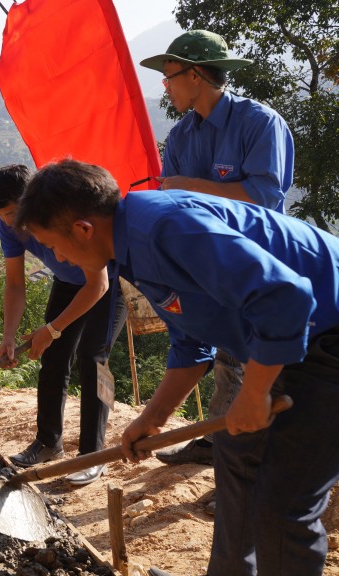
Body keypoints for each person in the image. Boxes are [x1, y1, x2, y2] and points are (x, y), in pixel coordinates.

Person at [16, 158, 339, 576]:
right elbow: (192, 344)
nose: (58, 257)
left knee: (281, 505)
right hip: (289, 340)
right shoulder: (130, 252)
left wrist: (255, 392)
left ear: (83, 229)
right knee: (237, 459)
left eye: (54, 244)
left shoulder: (166, 229)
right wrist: (151, 419)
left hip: (327, 338)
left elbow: (287, 297)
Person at [139, 29, 295, 466]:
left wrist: (189, 187)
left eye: (168, 75)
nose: (164, 86)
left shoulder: (260, 123)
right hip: (208, 265)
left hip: (259, 261)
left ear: (194, 74)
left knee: (256, 360)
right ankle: (221, 446)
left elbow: (263, 197)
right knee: (227, 352)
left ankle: (245, 460)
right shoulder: (183, 136)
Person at [0, 165, 125, 485]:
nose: (7, 221)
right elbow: (15, 284)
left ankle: (92, 454)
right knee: (53, 357)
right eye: (1, 215)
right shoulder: (9, 227)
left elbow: (97, 284)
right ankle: (48, 442)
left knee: (94, 358)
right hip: (67, 283)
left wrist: (52, 328)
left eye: (10, 212)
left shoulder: (60, 214)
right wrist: (9, 337)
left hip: (109, 282)